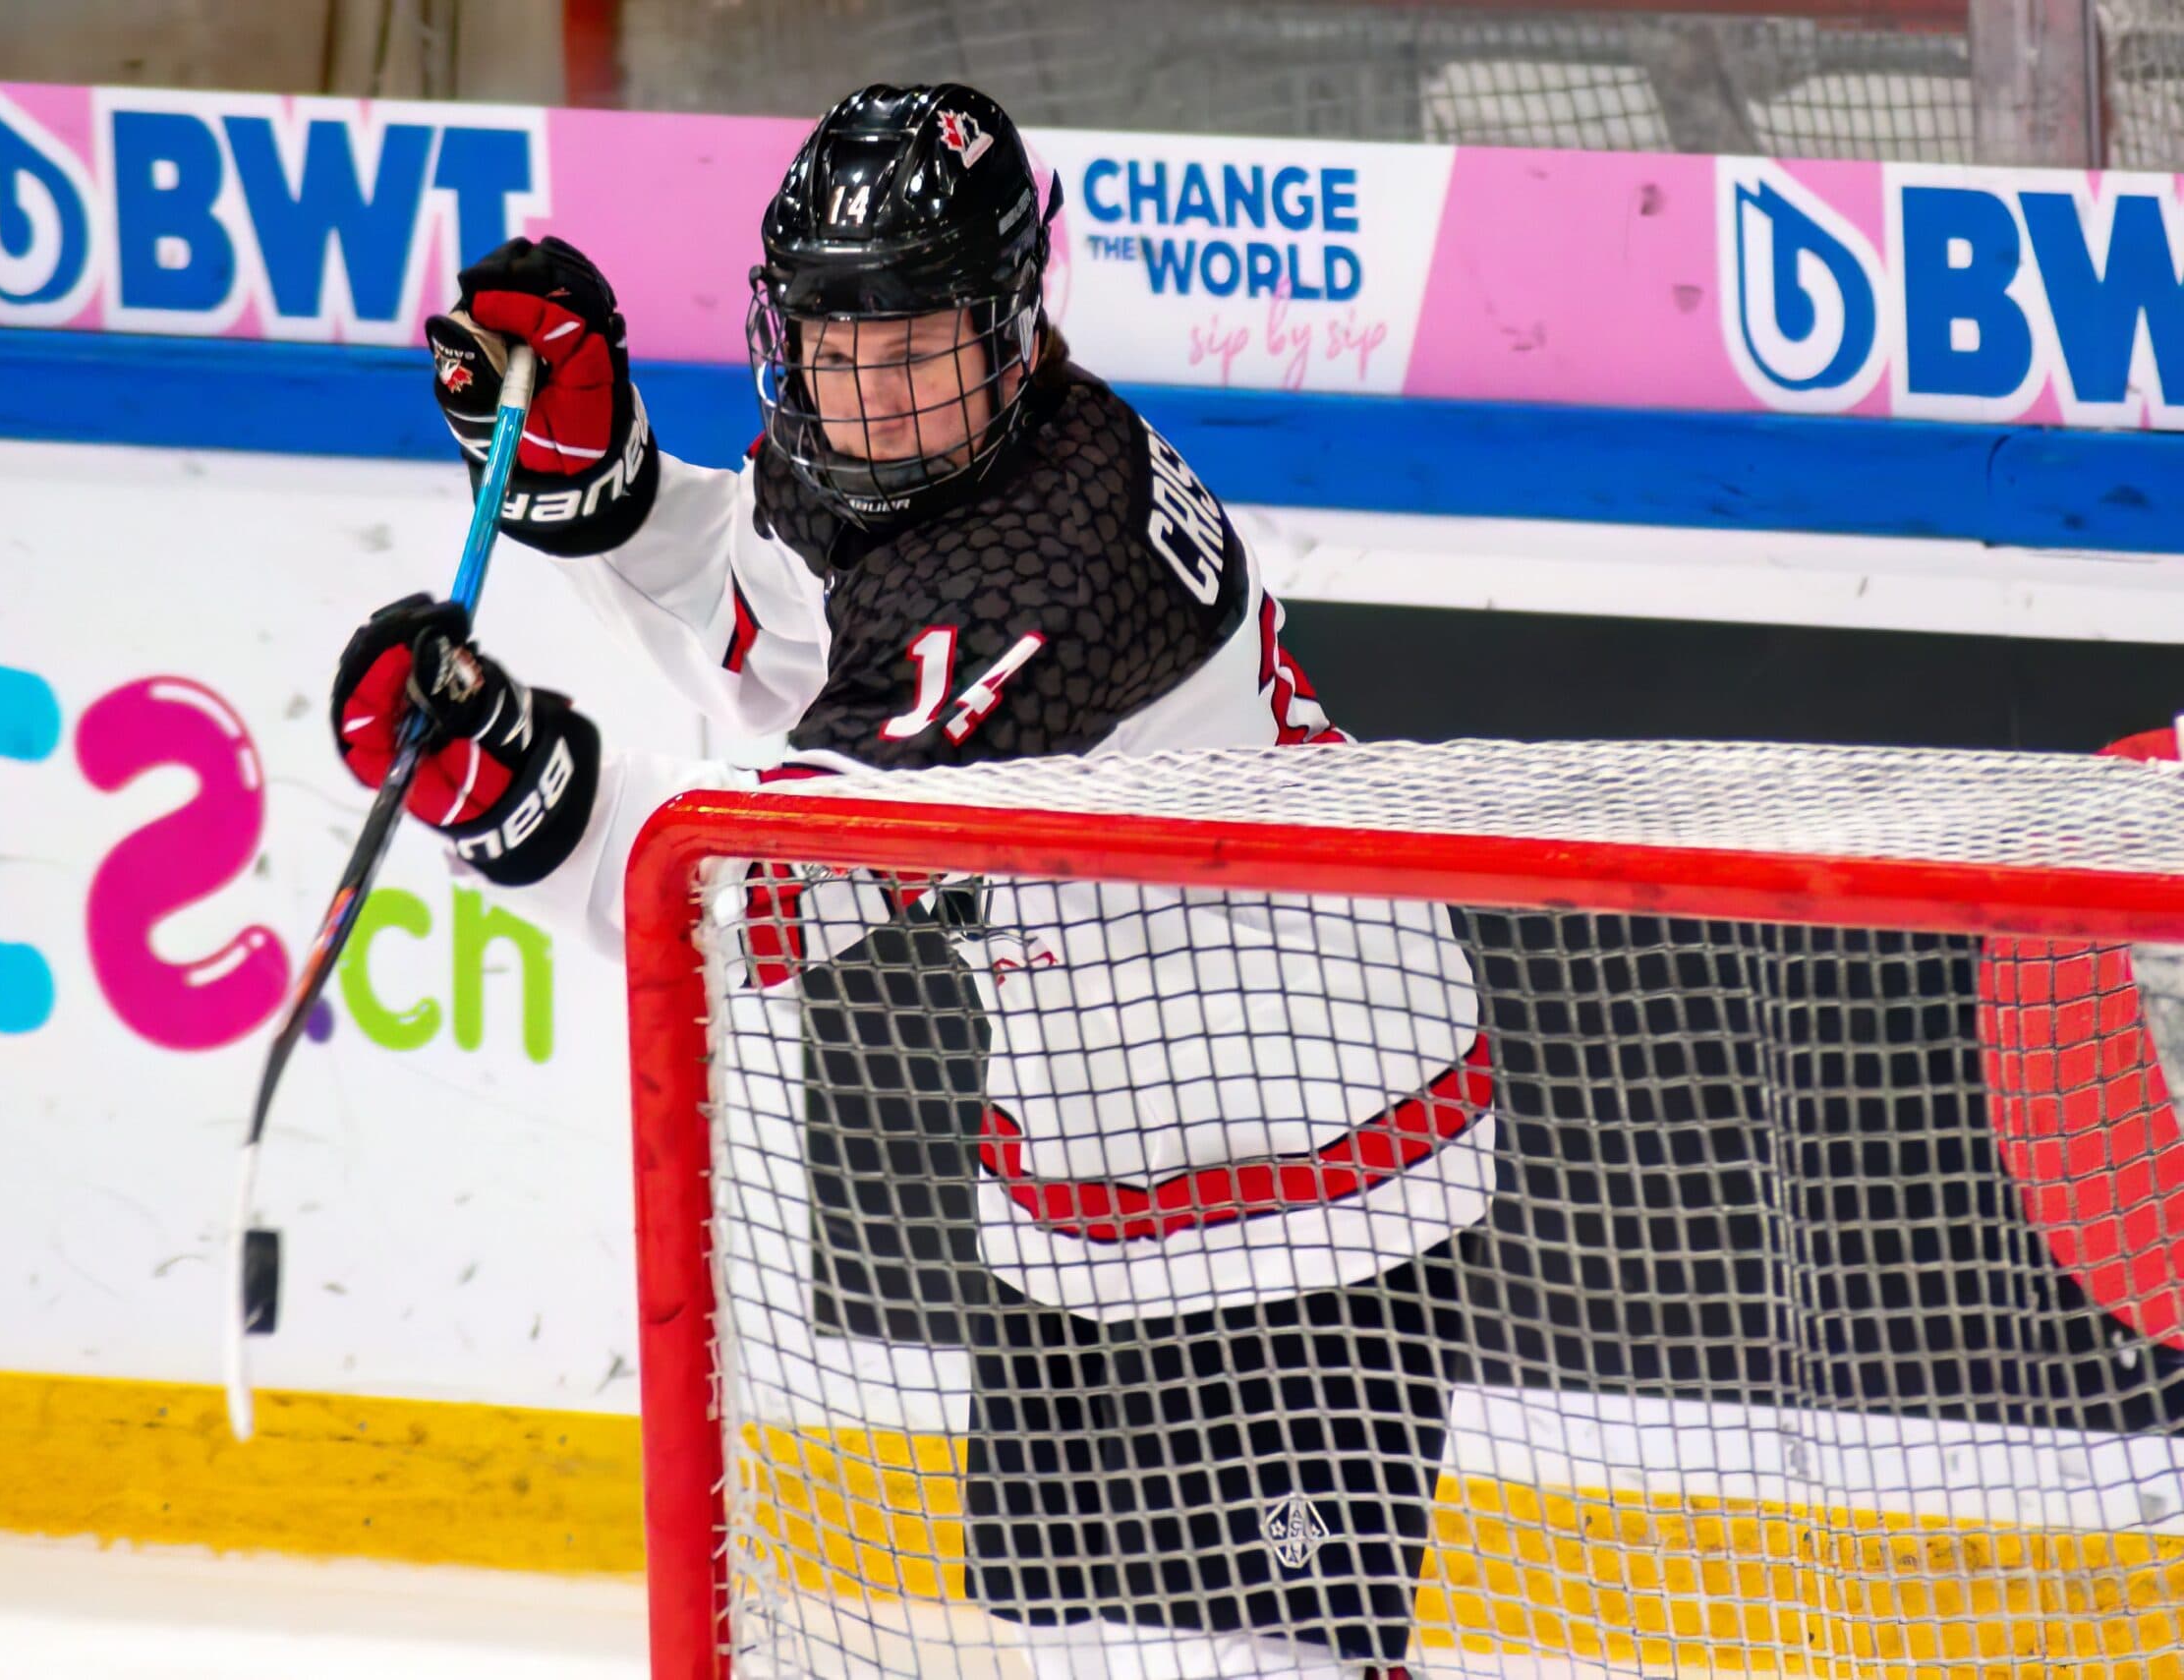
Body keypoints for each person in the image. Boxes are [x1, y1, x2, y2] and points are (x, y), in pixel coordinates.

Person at [327, 83, 1496, 1680]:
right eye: (835, 347)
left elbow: (738, 910)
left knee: (1248, 1663)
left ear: (1014, 327)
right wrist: (591, 491)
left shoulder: (1047, 573)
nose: (869, 397)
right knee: (1058, 1636)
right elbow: (774, 623)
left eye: (915, 349)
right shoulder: (918, 456)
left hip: (1316, 1167)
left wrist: (520, 797)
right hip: (1088, 1155)